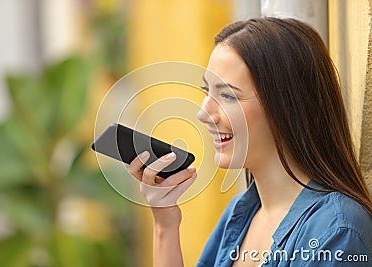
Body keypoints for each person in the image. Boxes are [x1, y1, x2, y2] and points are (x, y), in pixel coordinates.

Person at [128, 17, 372, 266]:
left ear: (286, 106)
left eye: (227, 95)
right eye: (207, 91)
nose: (203, 113)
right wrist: (165, 224)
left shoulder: (338, 231)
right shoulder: (241, 213)